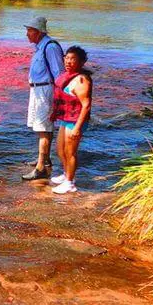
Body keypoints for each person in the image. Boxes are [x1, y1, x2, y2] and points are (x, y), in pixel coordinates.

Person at [21, 16, 64, 181]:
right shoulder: (40, 47)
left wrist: (57, 98)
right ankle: (44, 159)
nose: (27, 34)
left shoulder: (50, 47)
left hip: (45, 91)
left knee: (43, 128)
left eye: (29, 31)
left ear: (38, 32)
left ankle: (40, 168)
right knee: (42, 127)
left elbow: (59, 74)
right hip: (38, 90)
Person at [50, 46, 93, 194]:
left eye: (72, 59)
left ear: (81, 62)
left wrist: (77, 128)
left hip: (76, 120)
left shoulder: (81, 80)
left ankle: (70, 183)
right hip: (66, 118)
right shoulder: (67, 76)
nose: (68, 61)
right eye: (67, 58)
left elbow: (86, 105)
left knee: (70, 152)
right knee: (60, 149)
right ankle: (66, 173)